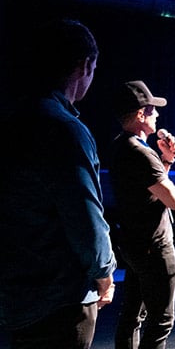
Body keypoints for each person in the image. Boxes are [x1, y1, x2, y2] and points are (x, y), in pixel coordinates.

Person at [0, 19, 117, 348]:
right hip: (60, 302)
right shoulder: (64, 129)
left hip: (17, 298)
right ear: (84, 65)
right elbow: (86, 218)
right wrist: (104, 273)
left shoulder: (12, 120)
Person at [110, 80, 175, 349]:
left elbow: (150, 190)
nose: (158, 115)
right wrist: (162, 163)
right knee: (161, 321)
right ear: (141, 115)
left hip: (134, 244)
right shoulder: (141, 153)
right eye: (153, 111)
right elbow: (173, 200)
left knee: (131, 316)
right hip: (154, 248)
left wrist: (165, 160)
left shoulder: (121, 145)